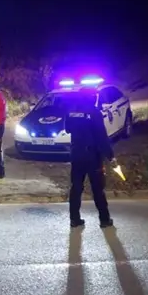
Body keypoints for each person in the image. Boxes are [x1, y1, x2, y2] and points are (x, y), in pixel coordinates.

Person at [64, 93, 116, 228]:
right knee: (98, 189)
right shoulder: (95, 112)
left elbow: (67, 129)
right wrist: (110, 155)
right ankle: (104, 220)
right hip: (92, 156)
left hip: (76, 155)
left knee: (76, 187)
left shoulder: (71, 112)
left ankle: (74, 219)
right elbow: (101, 137)